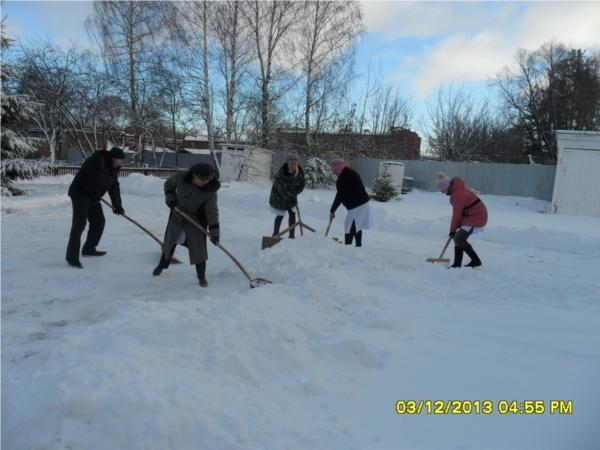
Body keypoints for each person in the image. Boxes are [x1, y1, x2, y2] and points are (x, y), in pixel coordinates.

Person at [152, 163, 220, 287]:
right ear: (194, 175)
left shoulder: (211, 190)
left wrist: (214, 232)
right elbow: (168, 184)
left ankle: (201, 276)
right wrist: (170, 199)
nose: (205, 182)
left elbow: (212, 211)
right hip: (177, 216)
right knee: (170, 243)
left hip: (196, 221)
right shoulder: (181, 176)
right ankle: (162, 265)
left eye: (208, 179)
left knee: (199, 249)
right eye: (202, 179)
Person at [65, 147, 126, 268]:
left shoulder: (114, 168)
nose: (121, 163)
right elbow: (84, 177)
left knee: (98, 222)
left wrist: (117, 205)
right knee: (79, 224)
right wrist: (95, 192)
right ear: (113, 158)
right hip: (80, 194)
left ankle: (89, 248)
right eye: (120, 160)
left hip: (93, 196)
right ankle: (72, 257)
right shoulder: (96, 160)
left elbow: (114, 187)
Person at [436, 172, 488, 268]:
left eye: (442, 190)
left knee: (458, 238)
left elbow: (457, 214)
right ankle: (475, 261)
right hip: (472, 215)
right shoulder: (458, 191)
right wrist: (454, 229)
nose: (442, 192)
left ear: (448, 186)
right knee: (461, 239)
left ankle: (457, 265)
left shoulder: (458, 194)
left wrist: (452, 230)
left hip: (476, 216)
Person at [329, 158, 373, 247]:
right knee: (357, 225)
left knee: (349, 226)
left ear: (341, 167)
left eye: (336, 170)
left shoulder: (345, 177)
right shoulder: (348, 173)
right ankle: (358, 246)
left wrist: (332, 210)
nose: (334, 172)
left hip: (358, 205)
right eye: (333, 170)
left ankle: (347, 247)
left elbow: (340, 196)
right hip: (360, 203)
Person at [269, 151, 305, 239]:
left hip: (292, 196)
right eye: (291, 164)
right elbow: (281, 189)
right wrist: (290, 197)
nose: (293, 165)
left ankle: (291, 236)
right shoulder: (282, 173)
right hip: (279, 196)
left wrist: (294, 194)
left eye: (295, 164)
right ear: (288, 163)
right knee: (280, 215)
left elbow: (302, 185)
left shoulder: (299, 172)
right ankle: (275, 235)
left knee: (292, 214)